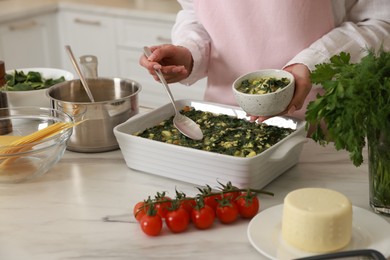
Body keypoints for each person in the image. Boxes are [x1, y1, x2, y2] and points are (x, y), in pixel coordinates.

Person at [140, 0, 390, 127]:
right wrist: (190, 52)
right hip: (224, 123)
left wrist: (312, 64)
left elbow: (380, 23)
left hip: (321, 130)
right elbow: (196, 11)